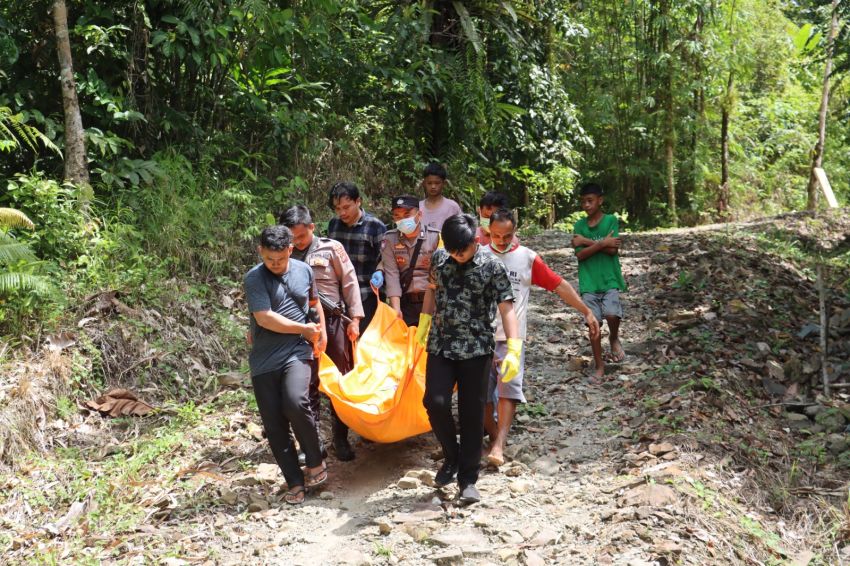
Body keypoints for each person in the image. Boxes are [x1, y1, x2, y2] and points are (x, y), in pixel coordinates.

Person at [482, 208, 600, 467]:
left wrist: (586, 311)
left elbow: (559, 286)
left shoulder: (527, 258)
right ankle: (493, 437)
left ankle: (499, 444)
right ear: (488, 230)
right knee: (479, 395)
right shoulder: (478, 255)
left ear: (516, 232)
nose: (502, 241)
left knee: (507, 390)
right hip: (479, 338)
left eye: (507, 236)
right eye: (497, 236)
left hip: (512, 339)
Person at [416, 213, 521, 505]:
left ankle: (468, 479)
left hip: (476, 349)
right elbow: (431, 291)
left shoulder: (492, 267)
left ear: (475, 241)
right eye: (451, 250)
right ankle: (452, 456)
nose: (457, 256)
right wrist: (424, 323)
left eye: (461, 250)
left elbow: (507, 308)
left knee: (472, 414)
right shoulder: (439, 259)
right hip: (441, 345)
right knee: (434, 402)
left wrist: (513, 348)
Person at [243, 225, 328, 505]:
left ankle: (315, 460)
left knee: (295, 400)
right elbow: (264, 317)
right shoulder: (254, 278)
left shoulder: (304, 271)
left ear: (290, 250)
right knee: (274, 424)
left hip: (296, 351)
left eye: (280, 259)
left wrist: (319, 332)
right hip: (264, 359)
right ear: (260, 252)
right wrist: (302, 328)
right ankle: (294, 481)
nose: (275, 265)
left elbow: (314, 304)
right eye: (269, 259)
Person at [280, 205, 364, 462]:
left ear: (312, 228)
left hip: (334, 324)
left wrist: (356, 319)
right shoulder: (282, 254)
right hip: (298, 327)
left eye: (301, 237)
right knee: (306, 384)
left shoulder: (331, 248)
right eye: (292, 238)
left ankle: (341, 437)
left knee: (339, 381)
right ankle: (312, 440)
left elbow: (350, 283)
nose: (297, 242)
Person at [326, 181, 386, 459]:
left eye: (347, 206)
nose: (342, 213)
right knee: (343, 366)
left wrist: (381, 276)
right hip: (339, 307)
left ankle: (368, 422)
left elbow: (385, 262)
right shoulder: (333, 228)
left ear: (359, 202)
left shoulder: (376, 227)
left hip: (369, 303)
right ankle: (340, 436)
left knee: (367, 362)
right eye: (338, 208)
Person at [571, 183, 627, 382]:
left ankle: (613, 337)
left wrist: (586, 241)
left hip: (609, 278)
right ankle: (599, 365)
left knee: (612, 314)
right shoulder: (579, 225)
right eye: (583, 201)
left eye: (590, 200)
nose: (586, 205)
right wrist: (603, 243)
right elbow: (581, 256)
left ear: (600, 200)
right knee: (594, 325)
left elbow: (613, 250)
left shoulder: (611, 220)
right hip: (589, 282)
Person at [381, 195, 443, 326]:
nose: (402, 220)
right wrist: (396, 309)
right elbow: (392, 274)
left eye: (407, 214)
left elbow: (441, 274)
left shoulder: (435, 237)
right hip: (405, 304)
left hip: (433, 302)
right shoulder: (390, 239)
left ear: (419, 215)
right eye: (397, 216)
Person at [419, 162, 462, 231]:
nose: (433, 186)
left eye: (437, 183)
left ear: (444, 183)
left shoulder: (452, 207)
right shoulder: (418, 207)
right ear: (424, 183)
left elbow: (460, 230)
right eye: (429, 183)